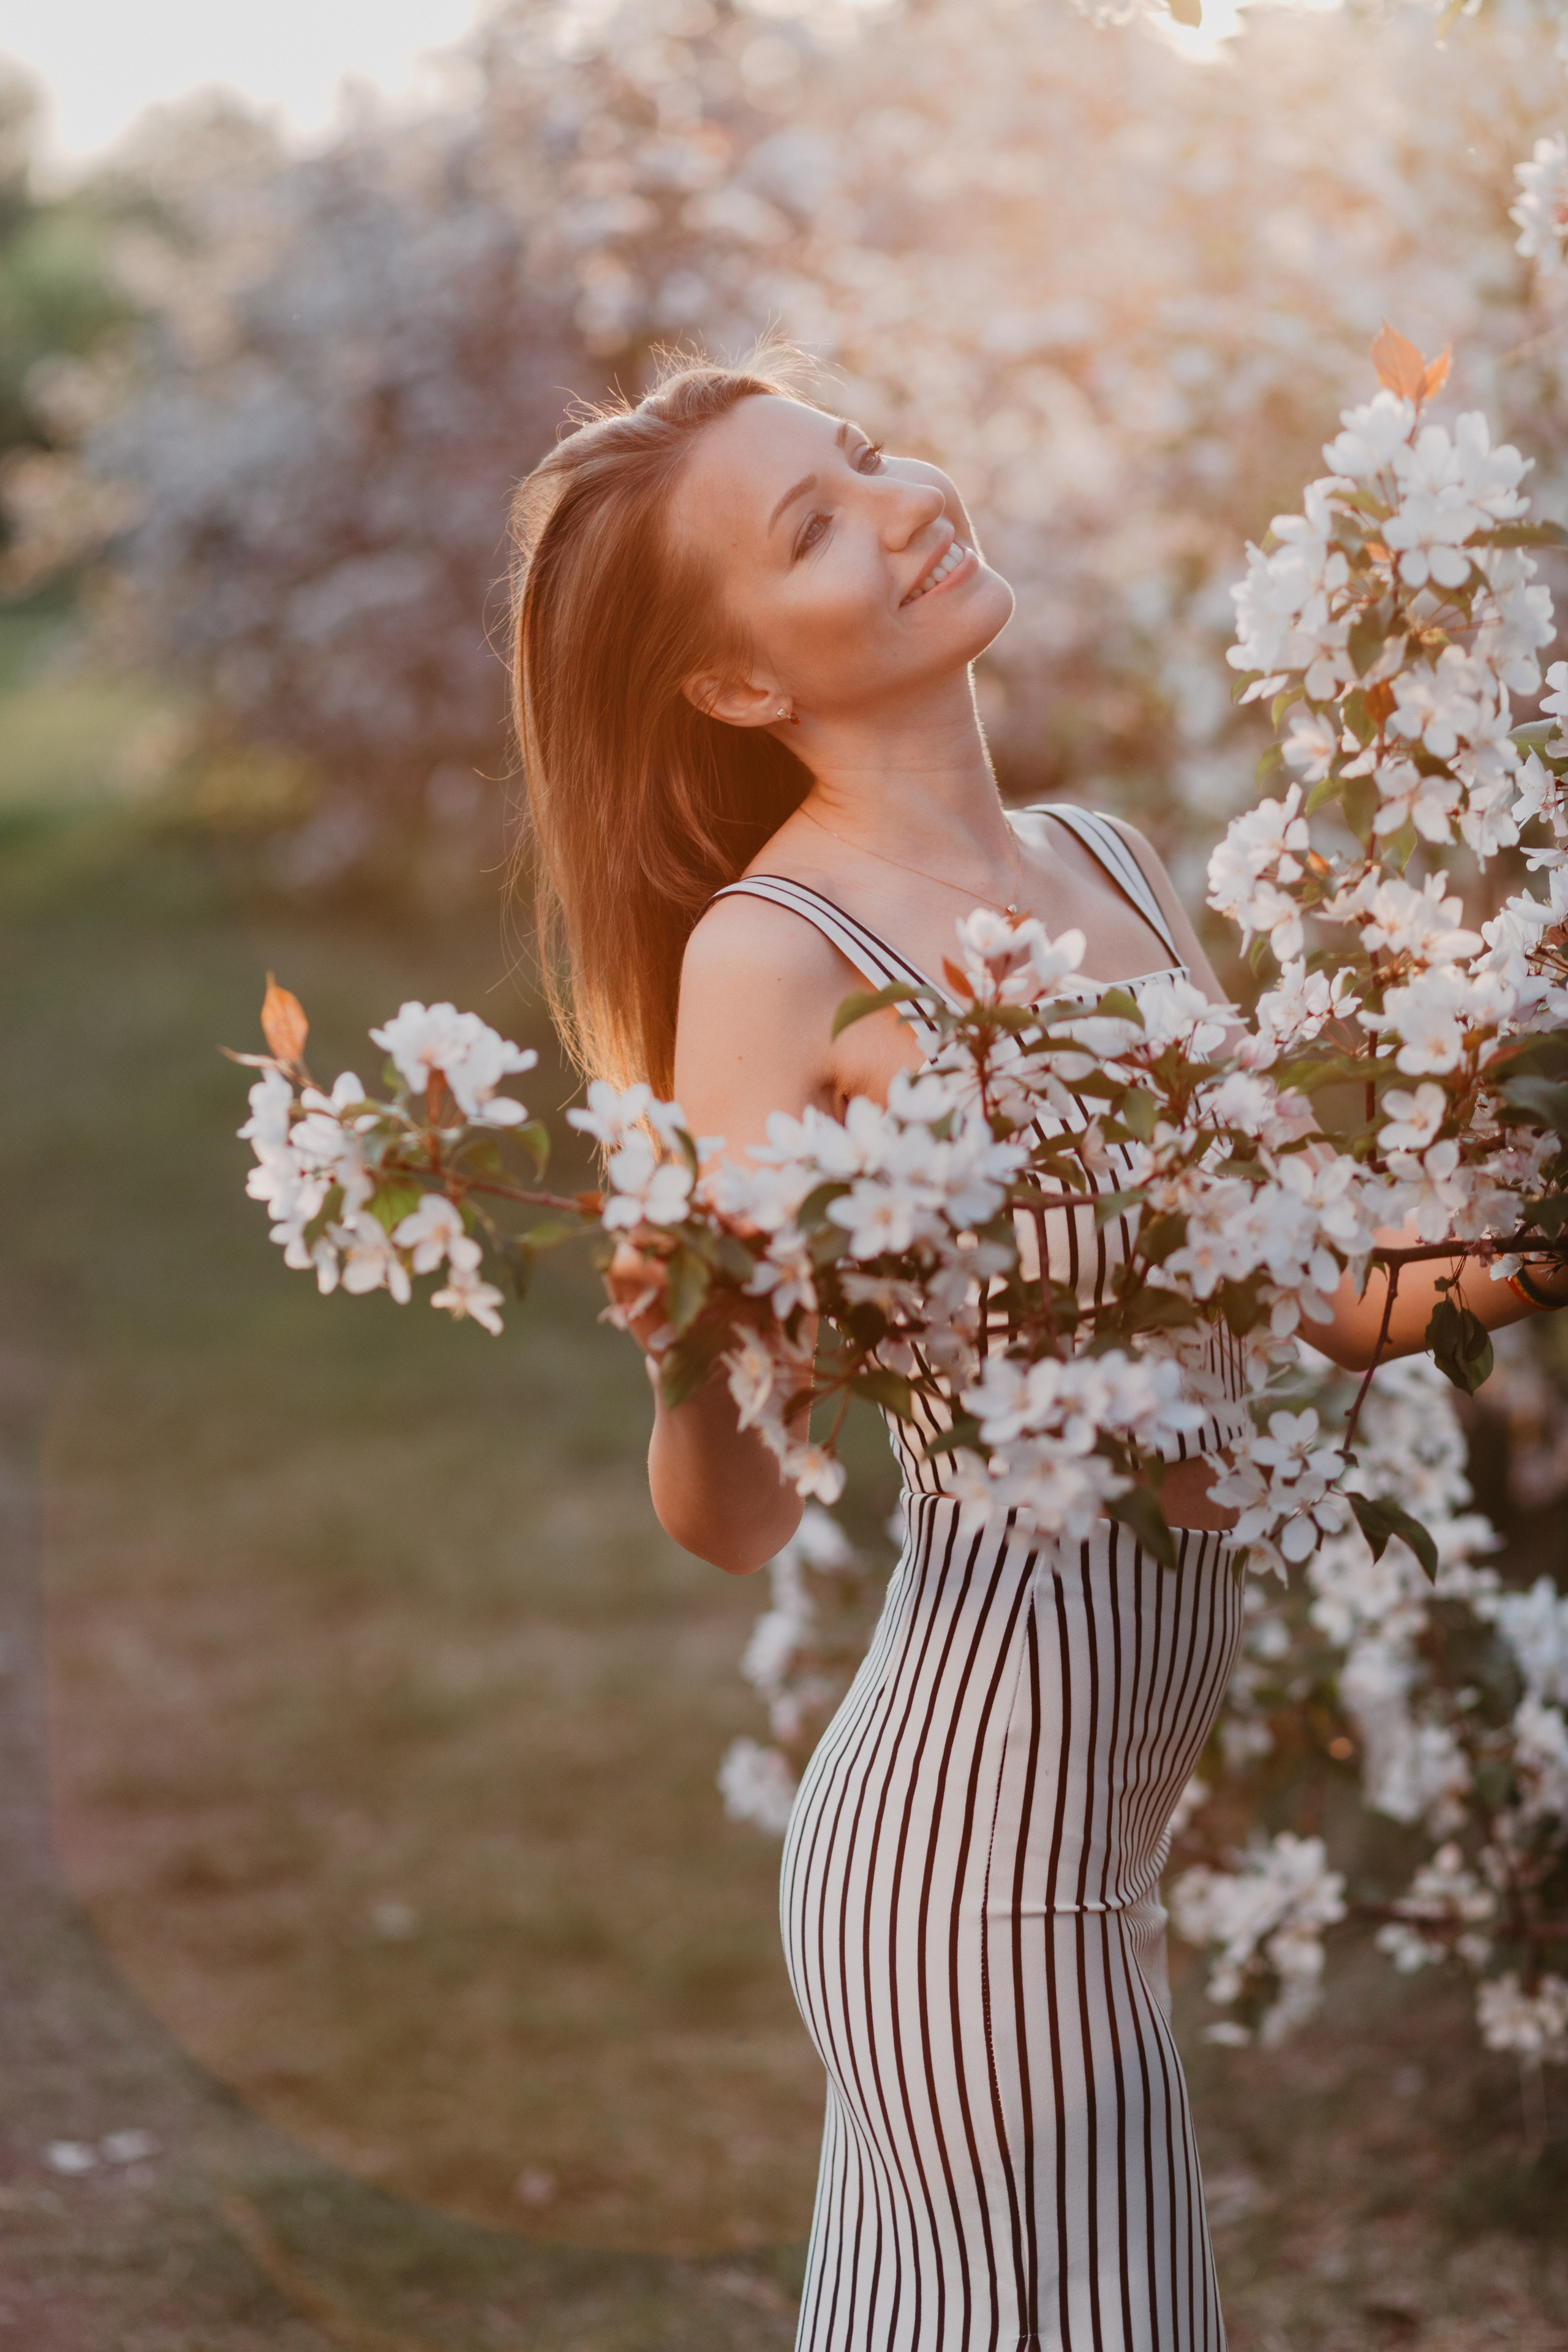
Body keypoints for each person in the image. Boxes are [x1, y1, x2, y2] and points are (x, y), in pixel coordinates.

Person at [508, 353, 1567, 2351]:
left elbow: (1322, 1287)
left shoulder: (1116, 868)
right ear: (740, 687)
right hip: (971, 1851)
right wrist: (691, 1347)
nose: (904, 500)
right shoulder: (778, 958)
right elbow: (732, 1517)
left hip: (1100, 1844)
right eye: (813, 526)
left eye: (866, 453)